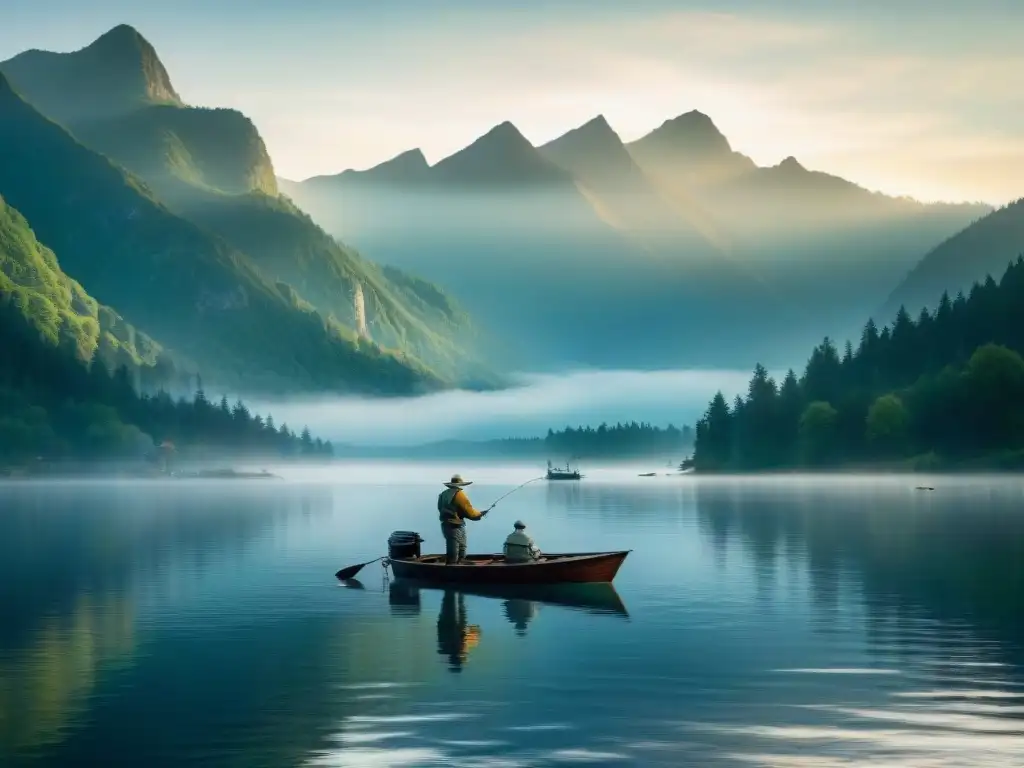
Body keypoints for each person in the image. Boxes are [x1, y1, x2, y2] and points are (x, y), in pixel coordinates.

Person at [437, 474, 488, 565]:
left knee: (453, 546)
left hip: (445, 525)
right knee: (459, 548)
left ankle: (456, 565)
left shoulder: (443, 494)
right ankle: (454, 569)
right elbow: (470, 512)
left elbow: (440, 508)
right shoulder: (460, 495)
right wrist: (480, 514)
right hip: (456, 525)